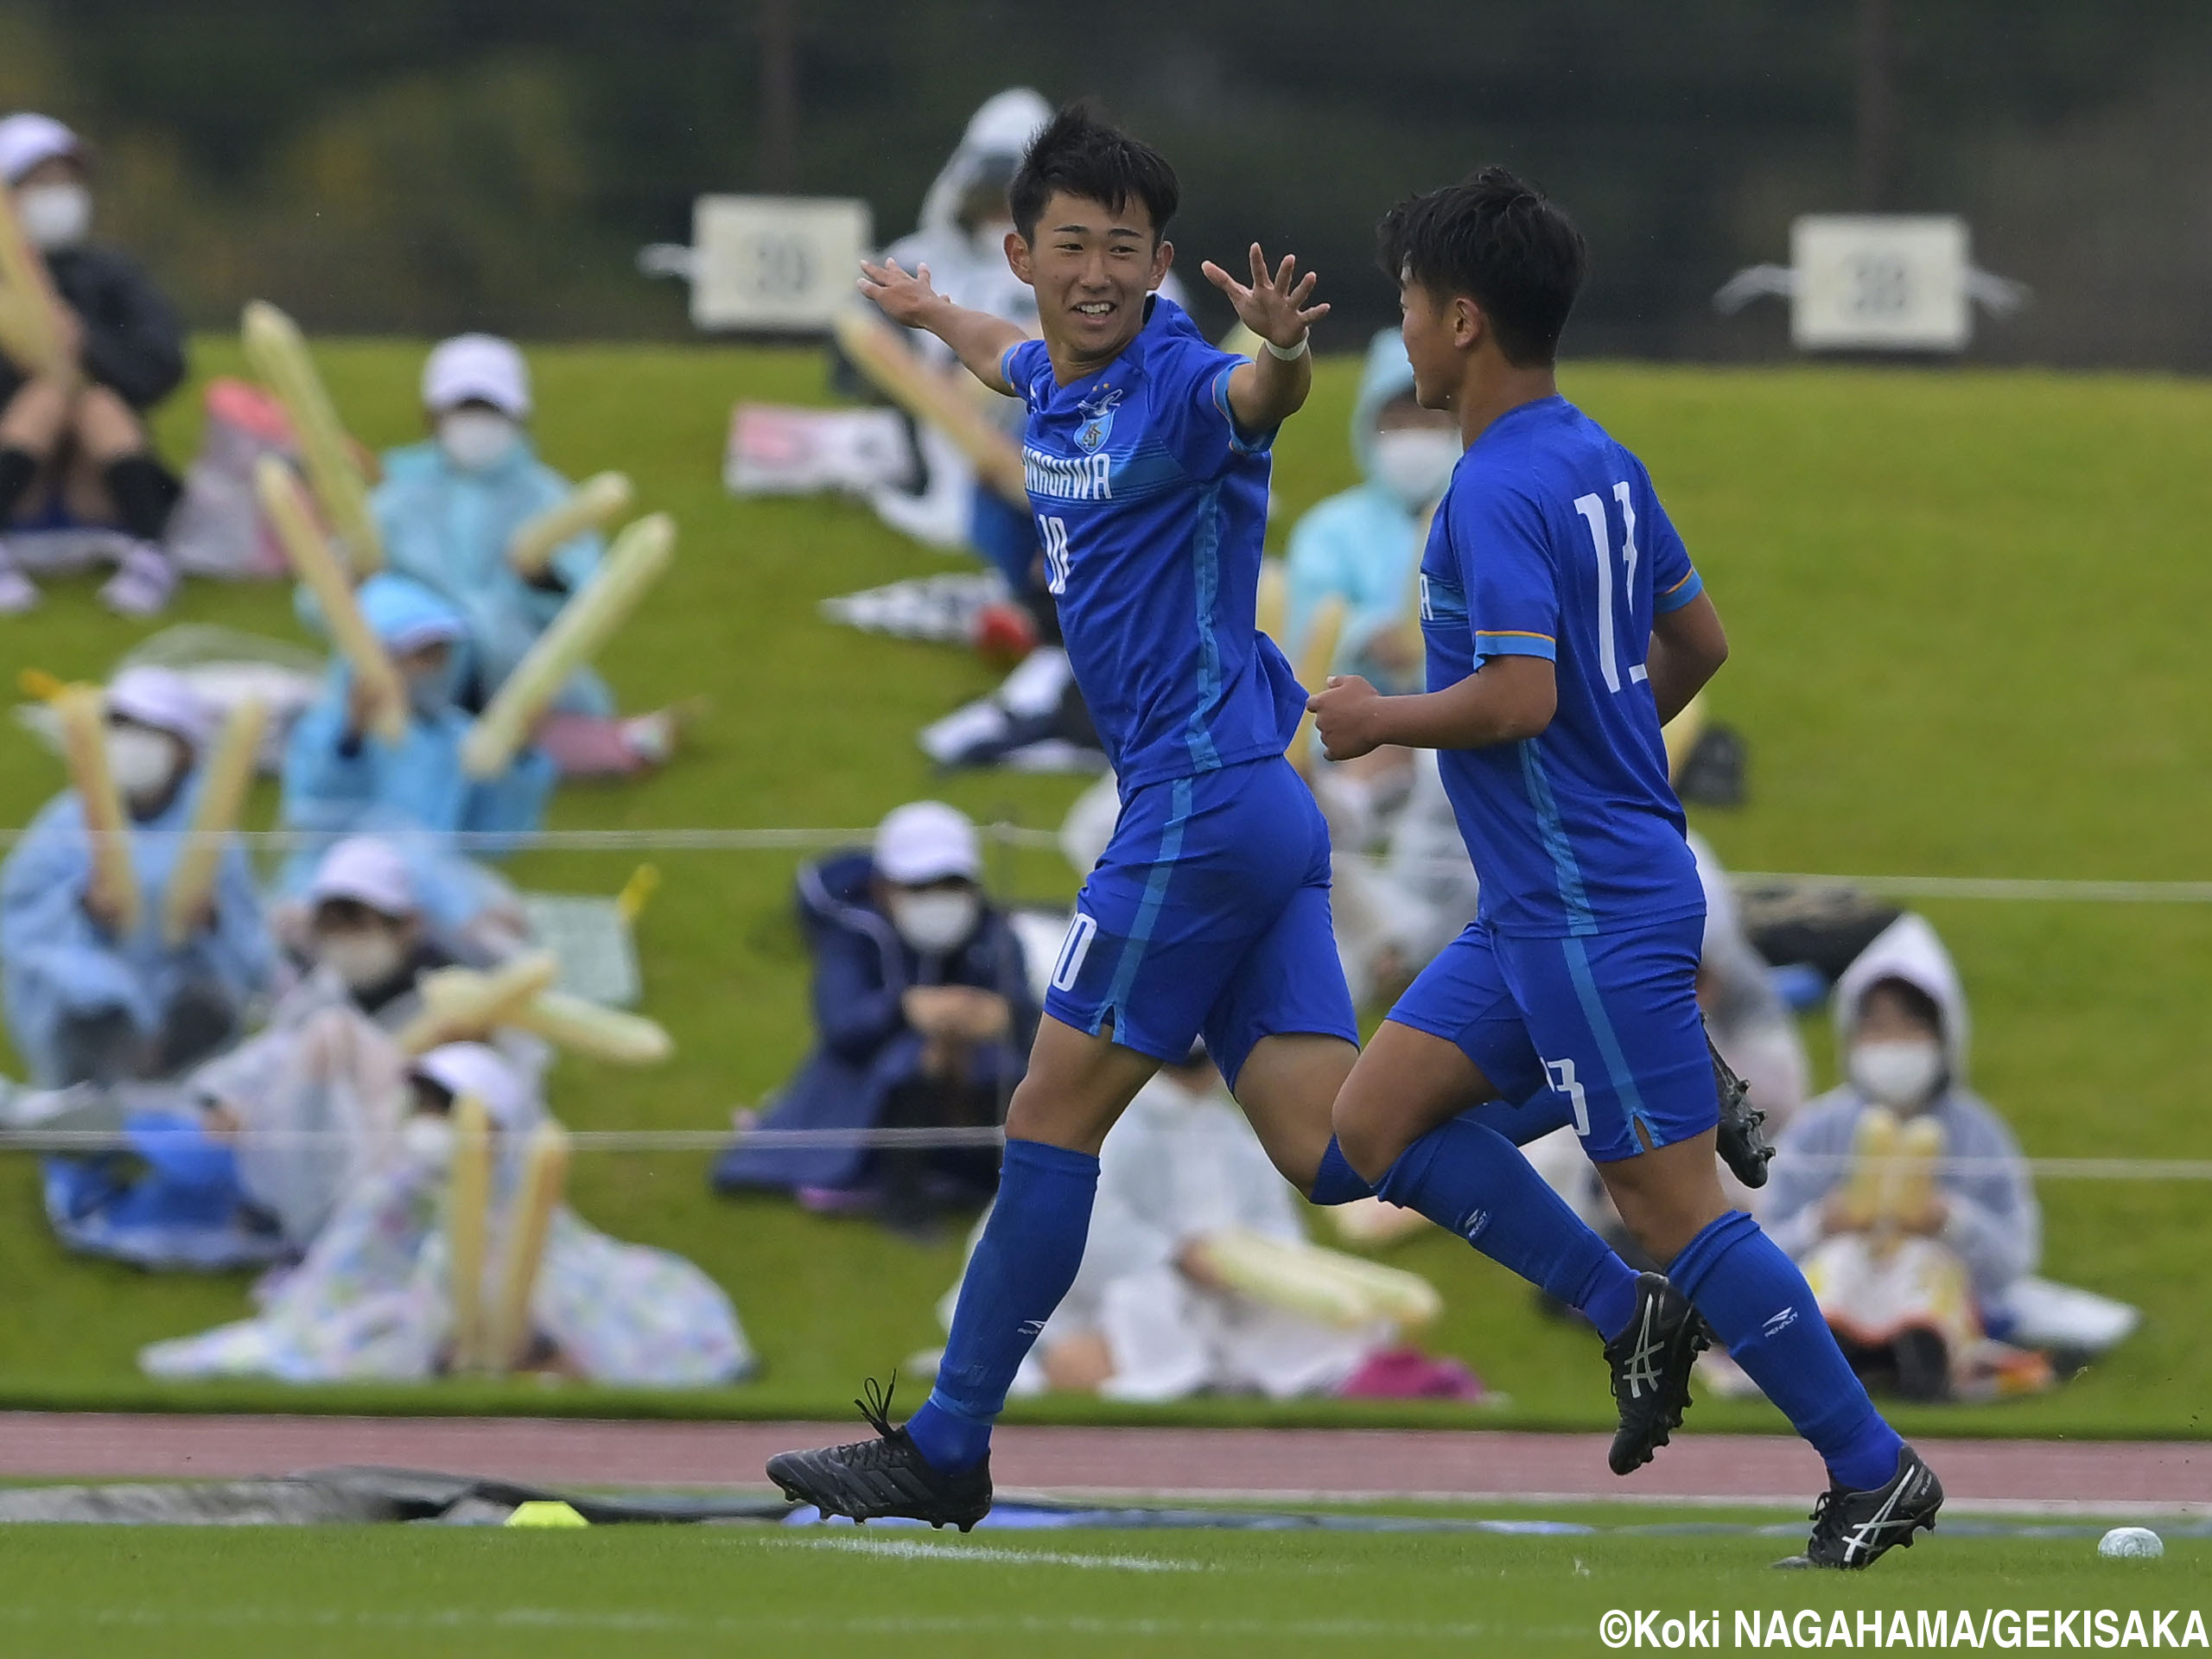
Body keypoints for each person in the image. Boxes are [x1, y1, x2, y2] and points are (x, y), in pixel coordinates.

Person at [1306, 168, 1938, 1569]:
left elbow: (1520, 700)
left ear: (1462, 319)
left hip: (1585, 909)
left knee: (1671, 1201)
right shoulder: (1599, 456)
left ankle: (1875, 1471)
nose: (1402, 327)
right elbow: (1700, 646)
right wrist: (1605, 747)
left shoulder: (1489, 494)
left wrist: (1378, 720)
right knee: (1371, 1130)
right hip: (1561, 902)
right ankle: (1640, 1252)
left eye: (1410, 301)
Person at [764, 101, 1383, 1529]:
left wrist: (1284, 349)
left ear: (1161, 262)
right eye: (1070, 245)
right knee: (1340, 1152)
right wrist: (928, 314)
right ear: (1021, 253)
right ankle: (1575, 1068)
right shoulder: (1051, 371)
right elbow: (1004, 357)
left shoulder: (1173, 385)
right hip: (1229, 804)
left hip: (1193, 807)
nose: (1097, 269)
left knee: (1048, 1115)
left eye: (1124, 248)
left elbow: (1257, 401)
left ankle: (950, 1445)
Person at [142, 1041, 753, 1386]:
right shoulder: (398, 1185)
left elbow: (553, 1261)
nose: (432, 1123)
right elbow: (351, 1266)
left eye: (450, 1109)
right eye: (429, 1105)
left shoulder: (516, 1192)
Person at [959, 1045, 1481, 1403]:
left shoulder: (1229, 1131)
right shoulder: (1114, 1123)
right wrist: (1175, 1255)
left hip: (1222, 1296)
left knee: (1331, 1321)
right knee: (1144, 1307)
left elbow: (1274, 1228)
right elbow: (1084, 1224)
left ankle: (1346, 1376)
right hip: (1118, 1297)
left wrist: (1248, 1264)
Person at [352, 334, 672, 777]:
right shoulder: (395, 501)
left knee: (563, 747)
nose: (476, 423)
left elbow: (589, 602)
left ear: (518, 415)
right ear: (433, 416)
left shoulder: (547, 497)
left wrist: (540, 579)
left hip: (523, 682)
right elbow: (325, 599)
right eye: (465, 409)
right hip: (418, 679)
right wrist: (376, 601)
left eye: (489, 410)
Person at [712, 801, 1038, 1235]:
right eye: (920, 886)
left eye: (952, 884)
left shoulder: (993, 934)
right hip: (868, 1084)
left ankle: (998, 1186)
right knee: (909, 1064)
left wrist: (1003, 1016)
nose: (938, 898)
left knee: (1005, 1071)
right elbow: (843, 1027)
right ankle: (904, 1196)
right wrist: (904, 1010)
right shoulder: (852, 936)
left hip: (973, 1087)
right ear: (885, 887)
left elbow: (1030, 1019)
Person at [1757, 913, 2043, 1401]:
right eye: (1877, 1027)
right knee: (1842, 1264)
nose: (1892, 1045)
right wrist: (1822, 1224)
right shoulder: (1818, 1128)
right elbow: (1764, 1246)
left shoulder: (1979, 1132)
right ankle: (1836, 1352)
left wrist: (1951, 1222)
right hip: (1839, 1267)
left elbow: (2015, 1256)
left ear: (1943, 1035)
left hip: (1940, 1276)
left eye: (1909, 1026)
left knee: (1920, 1267)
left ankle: (1923, 1356)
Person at [2, 667, 273, 1087]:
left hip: (181, 986)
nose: (131, 743)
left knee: (207, 1009)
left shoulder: (209, 827)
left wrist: (213, 922)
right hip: (96, 986)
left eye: (150, 731)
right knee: (88, 1003)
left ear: (184, 749)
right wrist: (81, 906)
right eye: (122, 727)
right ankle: (89, 1097)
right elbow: (17, 914)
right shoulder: (66, 822)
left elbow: (250, 936)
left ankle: (169, 1090)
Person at [277, 572, 556, 940]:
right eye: (418, 656)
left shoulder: (459, 738)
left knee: (502, 928)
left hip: (439, 888)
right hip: (337, 871)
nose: (433, 668)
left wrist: (518, 759)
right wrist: (351, 739)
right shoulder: (325, 730)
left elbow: (494, 836)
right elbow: (314, 814)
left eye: (440, 654)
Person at [0, 113, 188, 615]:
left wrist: (84, 344)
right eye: (41, 182)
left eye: (66, 181)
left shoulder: (111, 274)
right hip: (25, 494)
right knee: (49, 395)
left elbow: (162, 365)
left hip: (94, 498)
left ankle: (151, 553)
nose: (58, 195)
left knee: (93, 397)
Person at [1285, 328, 1459, 697]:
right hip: (1341, 731)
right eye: (1397, 423)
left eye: (1429, 421)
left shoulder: (1478, 522)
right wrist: (1366, 635)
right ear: (1369, 428)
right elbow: (1305, 614)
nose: (1414, 437)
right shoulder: (1330, 528)